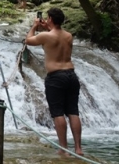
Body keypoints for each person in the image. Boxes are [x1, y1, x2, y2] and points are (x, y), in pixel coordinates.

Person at [25, 8, 83, 156]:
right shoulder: (68, 36)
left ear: (50, 18)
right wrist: (48, 27)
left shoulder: (45, 36)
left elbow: (28, 40)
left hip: (56, 77)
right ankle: (78, 149)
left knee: (58, 113)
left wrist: (34, 26)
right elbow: (56, 36)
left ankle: (63, 149)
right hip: (71, 75)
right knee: (73, 112)